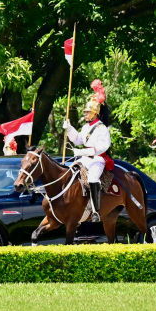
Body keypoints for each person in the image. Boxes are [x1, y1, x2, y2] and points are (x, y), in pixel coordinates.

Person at [63, 79, 113, 221]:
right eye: (85, 112)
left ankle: (96, 211)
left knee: (92, 178)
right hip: (84, 159)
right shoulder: (86, 127)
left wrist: (81, 152)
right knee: (68, 171)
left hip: (97, 160)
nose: (84, 114)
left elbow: (102, 148)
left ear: (95, 113)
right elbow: (78, 140)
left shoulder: (102, 128)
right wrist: (69, 128)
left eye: (87, 112)